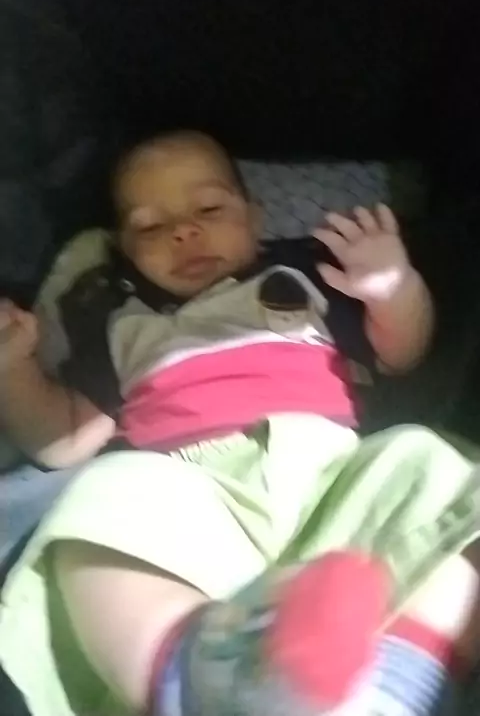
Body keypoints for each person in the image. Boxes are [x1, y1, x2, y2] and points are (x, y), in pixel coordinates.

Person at [0, 130, 479, 716]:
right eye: (151, 226)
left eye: (208, 209)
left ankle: (398, 683)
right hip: (192, 496)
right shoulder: (120, 321)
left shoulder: (305, 275)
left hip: (333, 475)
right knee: (96, 502)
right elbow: (65, 441)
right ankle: (195, 675)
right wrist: (12, 368)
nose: (183, 232)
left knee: (434, 466)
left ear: (254, 218)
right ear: (123, 248)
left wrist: (393, 288)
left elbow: (402, 353)